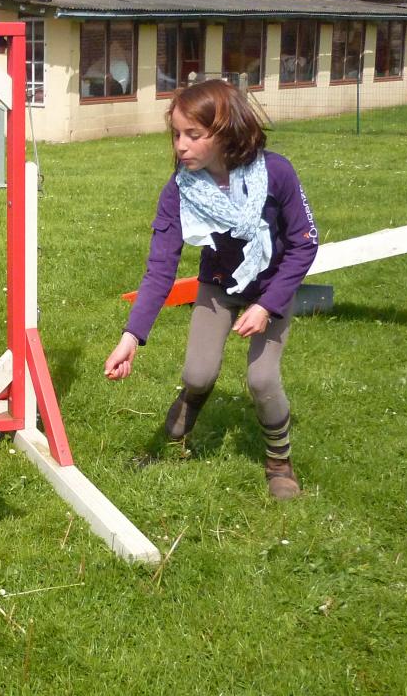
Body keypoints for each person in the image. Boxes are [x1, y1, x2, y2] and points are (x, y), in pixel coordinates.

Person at [103, 79, 318, 500]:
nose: (181, 145)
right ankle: (169, 445)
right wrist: (131, 338)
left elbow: (304, 243)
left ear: (225, 132)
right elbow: (160, 269)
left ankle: (279, 462)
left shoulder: (276, 174)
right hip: (218, 286)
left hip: (270, 288)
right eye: (176, 134)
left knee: (261, 379)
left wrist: (268, 305)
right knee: (197, 374)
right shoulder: (179, 191)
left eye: (193, 135)